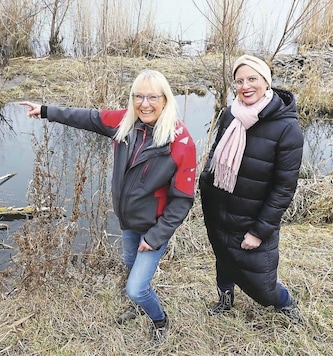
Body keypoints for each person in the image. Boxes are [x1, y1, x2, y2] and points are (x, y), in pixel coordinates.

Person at [20, 69, 197, 343]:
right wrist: (45, 110)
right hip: (128, 221)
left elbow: (182, 199)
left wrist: (155, 237)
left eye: (152, 97)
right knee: (129, 263)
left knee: (136, 288)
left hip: (154, 227)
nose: (144, 104)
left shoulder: (181, 142)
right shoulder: (125, 123)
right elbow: (87, 117)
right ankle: (138, 306)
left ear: (165, 99)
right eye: (138, 96)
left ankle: (159, 319)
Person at [198, 54, 305, 323]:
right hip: (220, 210)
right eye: (239, 81)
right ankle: (225, 300)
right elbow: (216, 154)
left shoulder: (287, 128)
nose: (245, 86)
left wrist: (258, 232)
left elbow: (283, 188)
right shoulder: (230, 114)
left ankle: (286, 304)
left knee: (263, 287)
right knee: (222, 258)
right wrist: (205, 183)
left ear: (266, 82)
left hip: (252, 219)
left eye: (252, 79)